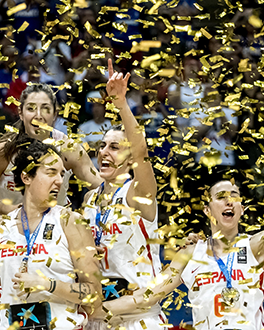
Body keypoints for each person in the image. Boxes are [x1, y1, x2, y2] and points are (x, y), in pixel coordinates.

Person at [101, 140, 264, 330]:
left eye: (234, 196)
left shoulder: (258, 246)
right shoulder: (189, 253)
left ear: (242, 209)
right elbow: (145, 297)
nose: (228, 201)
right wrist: (93, 310)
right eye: (220, 197)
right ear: (207, 210)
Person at [0, 140, 102, 329]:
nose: (60, 181)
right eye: (51, 172)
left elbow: (94, 296)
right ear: (27, 177)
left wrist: (48, 285)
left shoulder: (71, 222)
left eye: (61, 174)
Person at [81, 59, 164, 330]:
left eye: (115, 147)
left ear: (128, 159)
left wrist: (121, 103)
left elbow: (142, 153)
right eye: (102, 146)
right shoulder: (89, 200)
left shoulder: (137, 193)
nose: (104, 151)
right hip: (100, 316)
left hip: (140, 318)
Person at [0, 82, 101, 215]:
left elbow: (101, 187)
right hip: (9, 228)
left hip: (55, 230)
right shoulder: (3, 150)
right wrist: (9, 210)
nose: (38, 115)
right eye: (31, 109)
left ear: (55, 114)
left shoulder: (68, 148)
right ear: (21, 113)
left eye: (45, 109)